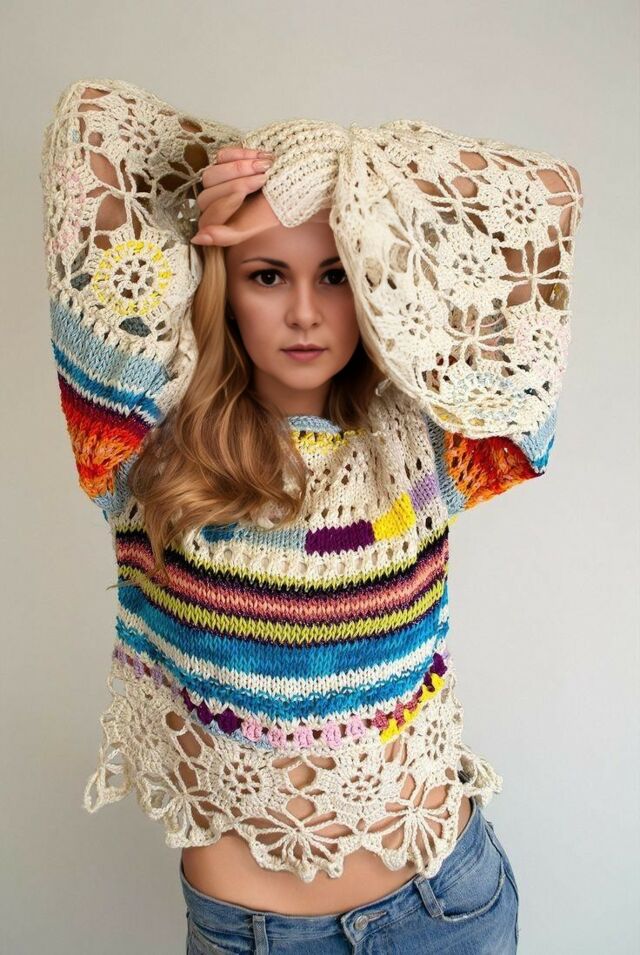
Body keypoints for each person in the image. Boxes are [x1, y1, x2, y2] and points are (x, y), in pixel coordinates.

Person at [40, 78, 583, 953]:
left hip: (446, 907)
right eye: (267, 275)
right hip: (254, 934)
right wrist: (196, 220)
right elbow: (88, 126)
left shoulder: (422, 442)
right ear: (224, 282)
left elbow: (548, 198)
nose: (304, 312)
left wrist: (358, 182)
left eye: (335, 274)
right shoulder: (147, 447)